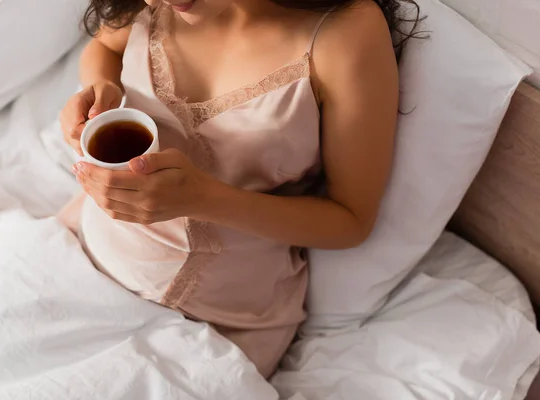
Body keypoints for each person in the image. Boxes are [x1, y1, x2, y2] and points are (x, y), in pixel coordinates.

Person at [58, 0, 420, 378]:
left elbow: (351, 221)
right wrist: (101, 91)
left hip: (215, 323)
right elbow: (104, 47)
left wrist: (204, 198)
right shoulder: (152, 5)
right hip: (80, 256)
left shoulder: (346, 32)